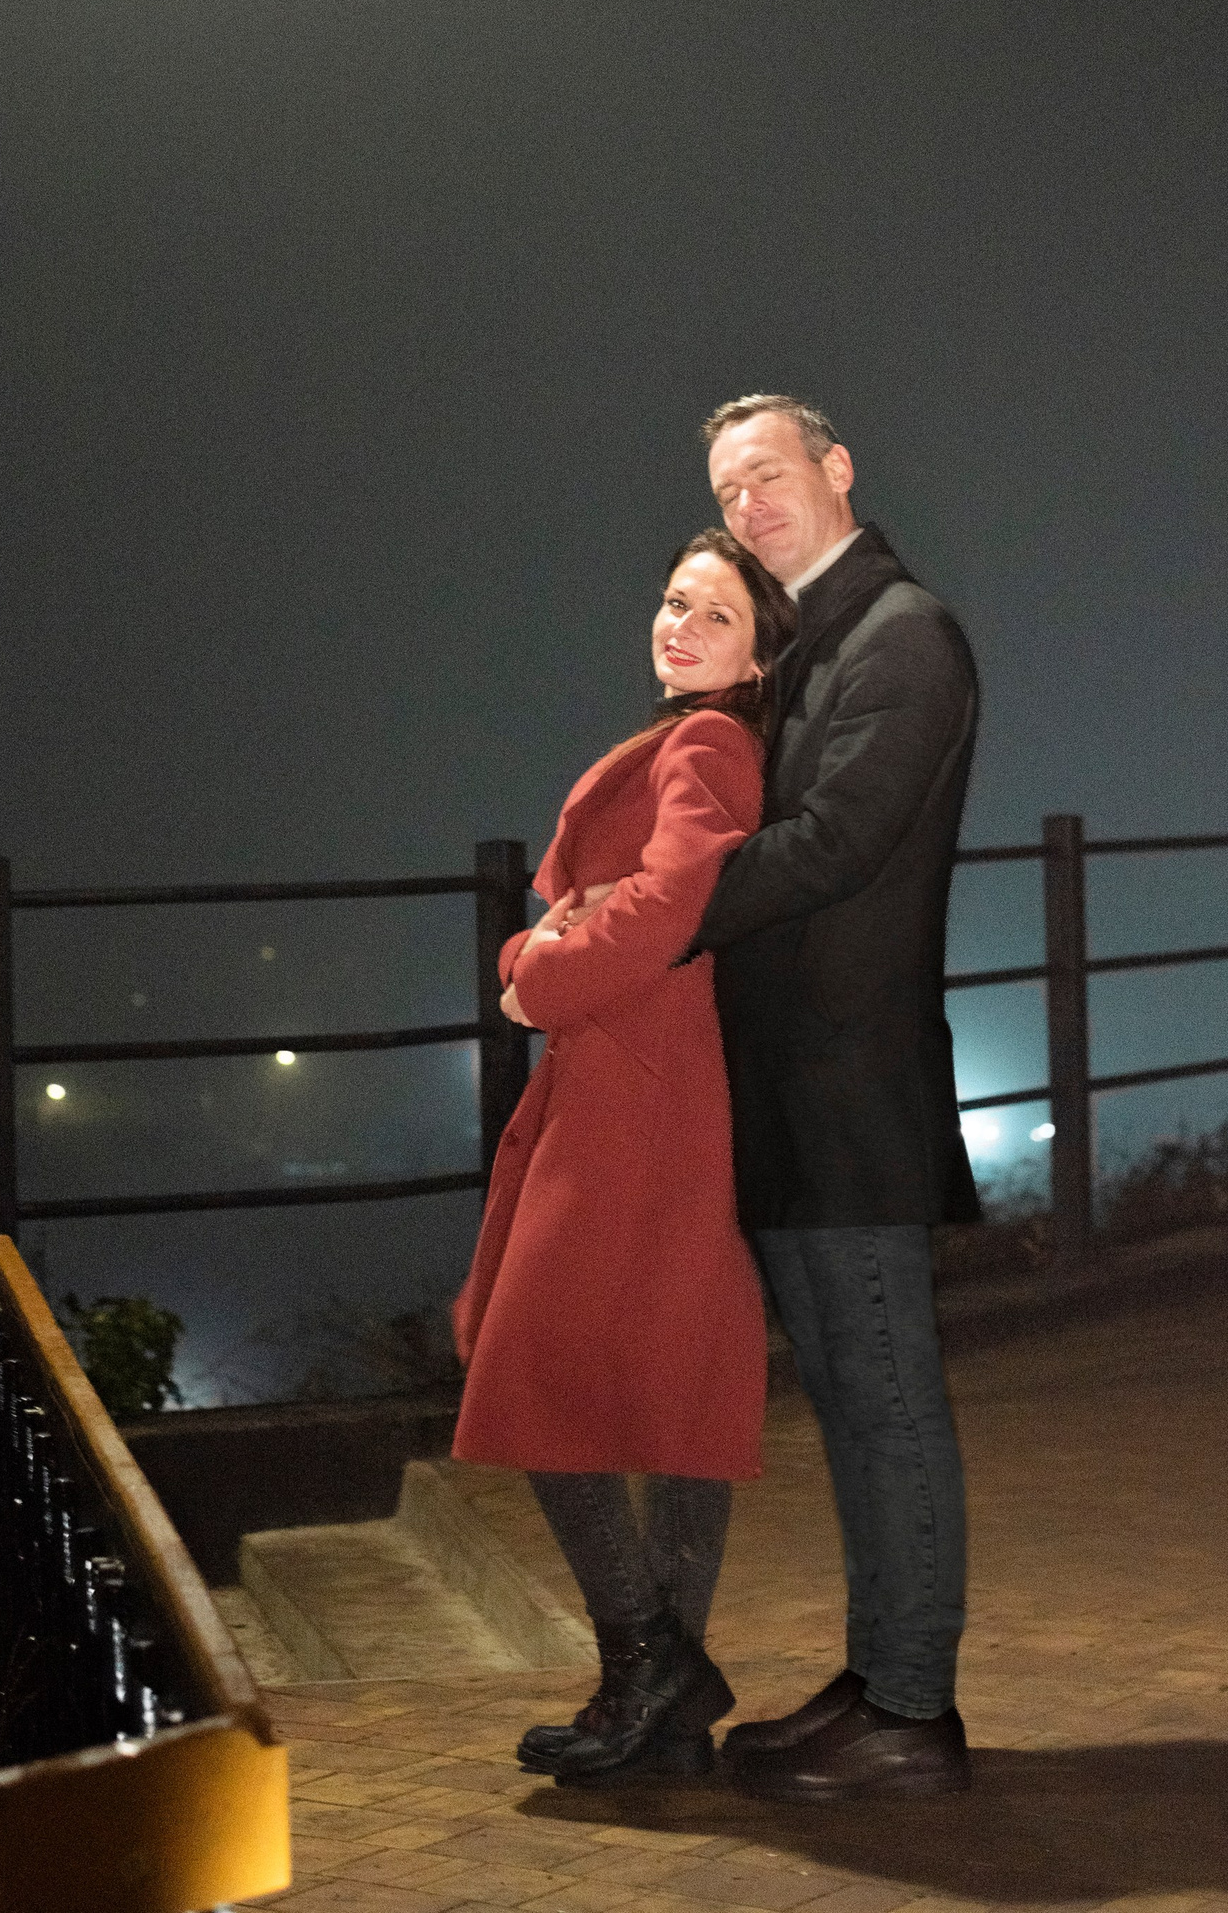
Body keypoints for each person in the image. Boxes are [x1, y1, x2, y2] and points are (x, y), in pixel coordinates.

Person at [451, 530, 789, 1783]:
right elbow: (596, 912)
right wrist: (541, 952)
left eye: (715, 615)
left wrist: (539, 976)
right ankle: (661, 1710)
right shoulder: (700, 740)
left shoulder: (709, 744)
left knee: (535, 1362)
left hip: (639, 1091)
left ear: (761, 657)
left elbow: (666, 904)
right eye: (672, 602)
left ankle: (646, 1659)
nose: (679, 627)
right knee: (670, 1380)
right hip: (648, 1081)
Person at [694, 393, 981, 1801]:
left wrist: (647, 904)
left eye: (769, 474)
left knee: (889, 1402)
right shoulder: (813, 643)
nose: (749, 506)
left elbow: (834, 842)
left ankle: (913, 1712)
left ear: (839, 469)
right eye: (727, 492)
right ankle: (879, 1683)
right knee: (855, 1408)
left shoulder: (903, 635)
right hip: (798, 1091)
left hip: (852, 1086)